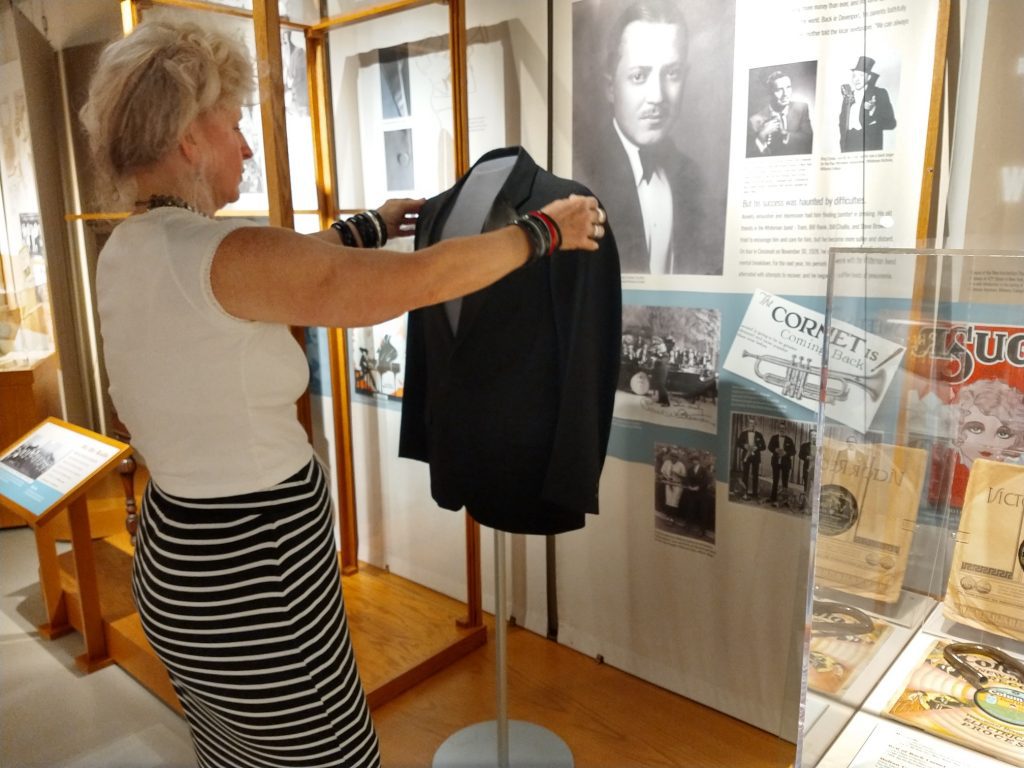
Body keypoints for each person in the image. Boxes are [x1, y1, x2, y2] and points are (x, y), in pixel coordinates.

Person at [79, 19, 605, 768]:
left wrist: (369, 226)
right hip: (256, 569)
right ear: (189, 135)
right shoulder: (216, 251)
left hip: (177, 556)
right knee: (331, 755)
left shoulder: (133, 246)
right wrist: (539, 236)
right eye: (234, 126)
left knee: (236, 755)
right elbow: (402, 285)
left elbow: (288, 266)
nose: (247, 147)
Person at [573, 0, 718, 275]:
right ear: (610, 87)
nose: (658, 97)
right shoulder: (583, 175)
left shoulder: (692, 178)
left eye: (672, 74)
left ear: (685, 77)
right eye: (639, 76)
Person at [747, 69, 813, 157]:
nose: (786, 94)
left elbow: (810, 139)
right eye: (779, 90)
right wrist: (761, 135)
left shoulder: (802, 108)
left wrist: (785, 135)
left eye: (788, 87)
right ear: (770, 92)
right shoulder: (754, 120)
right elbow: (750, 155)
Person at [839, 56, 896, 152]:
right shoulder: (848, 95)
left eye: (861, 75)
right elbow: (842, 122)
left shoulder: (879, 93)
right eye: (854, 76)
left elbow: (891, 123)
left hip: (869, 145)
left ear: (868, 77)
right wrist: (843, 144)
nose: (856, 79)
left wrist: (873, 111)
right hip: (849, 145)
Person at [736, 416, 766, 501]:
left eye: (753, 424)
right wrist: (744, 445)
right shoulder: (743, 433)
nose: (751, 425)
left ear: (755, 425)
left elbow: (764, 446)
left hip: (756, 457)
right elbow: (738, 443)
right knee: (745, 474)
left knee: (755, 475)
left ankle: (754, 493)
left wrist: (757, 447)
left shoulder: (759, 435)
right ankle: (744, 493)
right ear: (748, 424)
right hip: (746, 457)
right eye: (750, 423)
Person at [767, 425, 797, 506]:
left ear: (786, 429)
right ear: (778, 429)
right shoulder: (774, 438)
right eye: (780, 428)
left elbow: (794, 451)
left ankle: (785, 500)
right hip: (775, 462)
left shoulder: (789, 440)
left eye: (783, 428)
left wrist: (786, 453)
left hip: (786, 463)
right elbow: (769, 447)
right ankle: (773, 498)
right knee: (775, 480)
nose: (782, 430)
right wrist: (775, 449)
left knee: (785, 482)